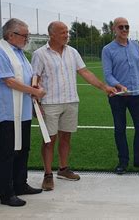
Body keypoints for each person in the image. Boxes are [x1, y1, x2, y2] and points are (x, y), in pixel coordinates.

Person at [31, 21, 116, 191]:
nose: (66, 35)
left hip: (71, 101)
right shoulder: (39, 54)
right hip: (50, 104)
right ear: (52, 34)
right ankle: (48, 175)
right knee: (49, 140)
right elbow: (35, 79)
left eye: (67, 32)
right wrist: (36, 103)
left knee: (66, 137)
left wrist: (104, 87)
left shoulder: (73, 52)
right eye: (62, 32)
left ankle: (63, 169)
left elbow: (85, 72)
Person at [0, 18, 45, 206]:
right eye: (24, 36)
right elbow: (8, 80)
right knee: (8, 152)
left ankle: (20, 184)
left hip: (23, 110)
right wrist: (34, 91)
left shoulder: (18, 53)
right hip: (8, 111)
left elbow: (26, 76)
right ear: (11, 35)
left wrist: (35, 82)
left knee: (23, 149)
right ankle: (6, 193)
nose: (27, 39)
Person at [102, 17, 139, 174]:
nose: (124, 30)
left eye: (127, 27)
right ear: (114, 29)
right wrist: (118, 85)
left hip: (136, 94)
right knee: (120, 129)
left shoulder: (135, 46)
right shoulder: (108, 50)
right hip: (117, 97)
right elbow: (108, 75)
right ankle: (123, 161)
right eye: (121, 27)